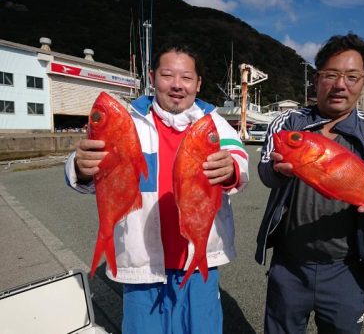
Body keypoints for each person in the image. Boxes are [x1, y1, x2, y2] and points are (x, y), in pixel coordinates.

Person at [65, 45, 249, 334]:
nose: (177, 85)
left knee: (202, 328)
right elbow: (90, 167)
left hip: (199, 258)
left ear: (198, 83)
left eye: (187, 77)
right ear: (152, 78)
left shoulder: (216, 124)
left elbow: (239, 159)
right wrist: (79, 166)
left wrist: (232, 170)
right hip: (142, 262)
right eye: (167, 75)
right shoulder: (128, 121)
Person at [255, 33, 364, 333]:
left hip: (347, 267)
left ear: (363, 83)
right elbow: (265, 172)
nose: (341, 84)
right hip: (289, 264)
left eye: (352, 76)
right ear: (317, 79)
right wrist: (280, 171)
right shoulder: (288, 123)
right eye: (332, 75)